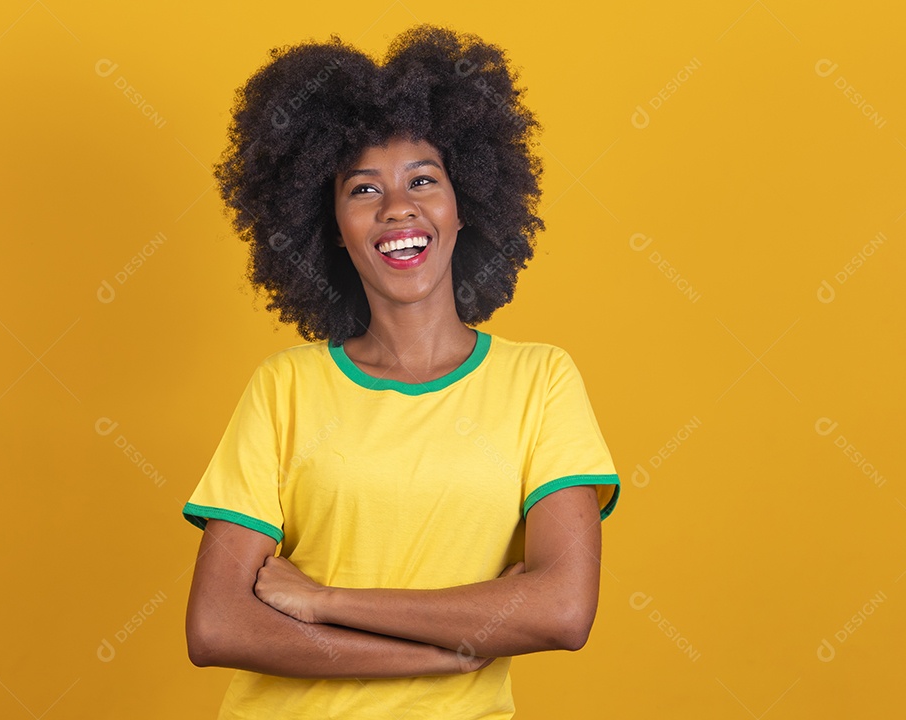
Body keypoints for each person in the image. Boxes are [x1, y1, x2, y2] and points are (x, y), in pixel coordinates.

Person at [181, 24, 621, 719]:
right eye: (363, 190)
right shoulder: (284, 387)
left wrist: (325, 602)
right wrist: (448, 651)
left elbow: (563, 610)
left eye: (423, 180)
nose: (398, 209)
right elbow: (217, 626)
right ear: (329, 225)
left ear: (462, 202)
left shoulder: (540, 382)